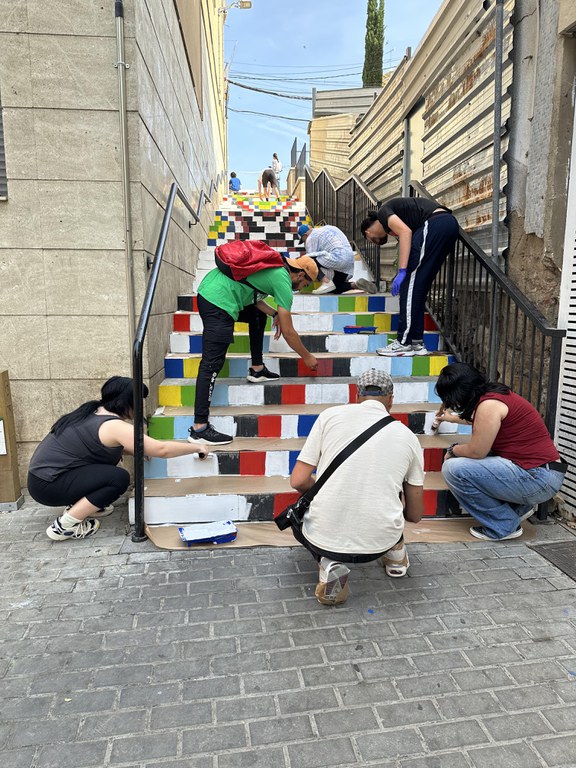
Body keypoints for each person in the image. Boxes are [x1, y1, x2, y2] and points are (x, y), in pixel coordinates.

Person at [290, 369, 425, 605]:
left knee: (300, 518)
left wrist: (324, 490)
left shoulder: (329, 416)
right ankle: (395, 557)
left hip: (326, 533)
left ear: (356, 394)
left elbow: (299, 481)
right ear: (391, 399)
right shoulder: (408, 437)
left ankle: (328, 563)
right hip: (380, 540)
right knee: (390, 496)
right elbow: (415, 514)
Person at [27, 377, 209, 542]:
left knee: (111, 468)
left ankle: (89, 506)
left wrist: (140, 450)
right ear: (124, 403)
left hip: (43, 479)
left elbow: (102, 447)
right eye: (137, 402)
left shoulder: (93, 411)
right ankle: (65, 526)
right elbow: (161, 449)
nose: (140, 406)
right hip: (49, 485)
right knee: (118, 478)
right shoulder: (113, 425)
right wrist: (197, 447)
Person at [189, 254, 319, 445]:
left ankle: (257, 369)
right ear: (300, 276)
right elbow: (289, 332)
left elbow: (253, 296)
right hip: (218, 300)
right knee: (211, 364)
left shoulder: (275, 268)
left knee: (258, 315)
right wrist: (307, 356)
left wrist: (274, 313)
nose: (301, 289)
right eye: (304, 285)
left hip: (214, 290)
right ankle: (199, 427)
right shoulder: (283, 281)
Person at [434, 362, 567, 541]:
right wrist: (453, 419)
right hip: (542, 472)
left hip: (537, 478)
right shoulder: (492, 396)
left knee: (453, 469)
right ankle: (516, 509)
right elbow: (483, 423)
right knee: (480, 459)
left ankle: (503, 524)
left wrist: (453, 449)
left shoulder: (488, 405)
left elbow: (476, 451)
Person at [361, 197, 459, 356]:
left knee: (408, 286)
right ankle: (416, 342)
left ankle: (403, 342)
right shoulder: (396, 215)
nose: (377, 242)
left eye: (372, 240)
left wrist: (402, 271)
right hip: (448, 226)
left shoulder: (383, 212)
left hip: (435, 224)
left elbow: (405, 232)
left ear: (368, 232)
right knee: (418, 289)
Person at [298, 223, 377, 295]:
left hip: (336, 258)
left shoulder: (311, 237)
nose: (304, 243)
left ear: (305, 235)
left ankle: (326, 281)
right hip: (349, 260)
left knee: (307, 260)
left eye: (303, 240)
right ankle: (356, 284)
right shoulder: (329, 228)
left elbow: (309, 260)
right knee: (335, 288)